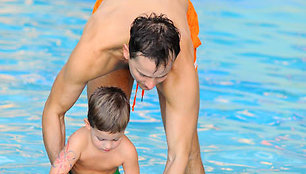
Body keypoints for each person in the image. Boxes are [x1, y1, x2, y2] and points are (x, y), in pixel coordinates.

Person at [42, 0, 205, 173]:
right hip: (112, 19)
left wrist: (154, 73)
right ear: (126, 53)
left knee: (188, 150)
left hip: (175, 11)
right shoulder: (94, 52)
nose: (149, 85)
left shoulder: (181, 69)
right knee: (105, 127)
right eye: (143, 74)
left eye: (161, 76)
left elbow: (177, 156)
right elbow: (54, 111)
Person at [49, 87, 139, 174]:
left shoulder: (127, 151)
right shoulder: (79, 142)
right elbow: (57, 171)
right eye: (101, 139)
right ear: (88, 125)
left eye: (115, 139)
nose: (108, 146)